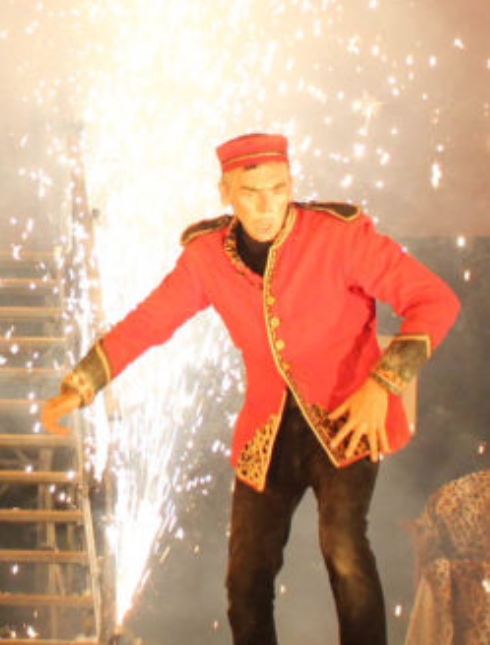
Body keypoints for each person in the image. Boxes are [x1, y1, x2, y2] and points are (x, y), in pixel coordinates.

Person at [40, 134, 461, 645]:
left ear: (291, 185)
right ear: (226, 193)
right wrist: (83, 383)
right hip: (267, 433)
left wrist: (383, 384)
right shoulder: (206, 256)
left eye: (278, 190)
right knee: (244, 581)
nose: (266, 207)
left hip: (348, 420)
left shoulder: (339, 236)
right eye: (251, 193)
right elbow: (149, 322)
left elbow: (435, 300)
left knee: (344, 551)